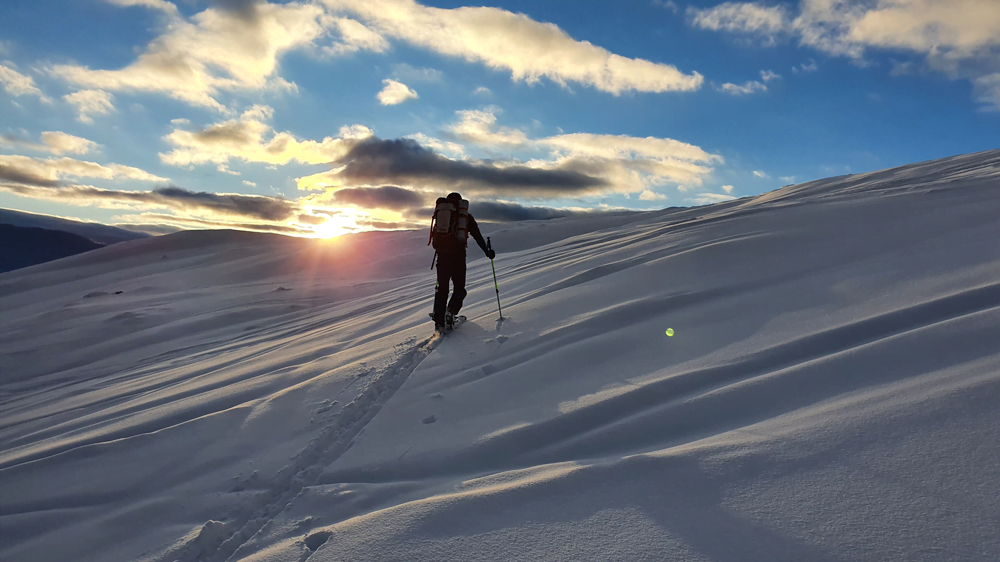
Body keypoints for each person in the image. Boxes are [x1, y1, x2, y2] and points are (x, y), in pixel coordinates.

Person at [432, 192, 495, 331]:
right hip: (458, 258)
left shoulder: (441, 216)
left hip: (442, 257)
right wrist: (487, 252)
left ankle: (439, 321)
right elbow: (477, 236)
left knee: (442, 289)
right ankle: (451, 312)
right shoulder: (465, 217)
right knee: (459, 289)